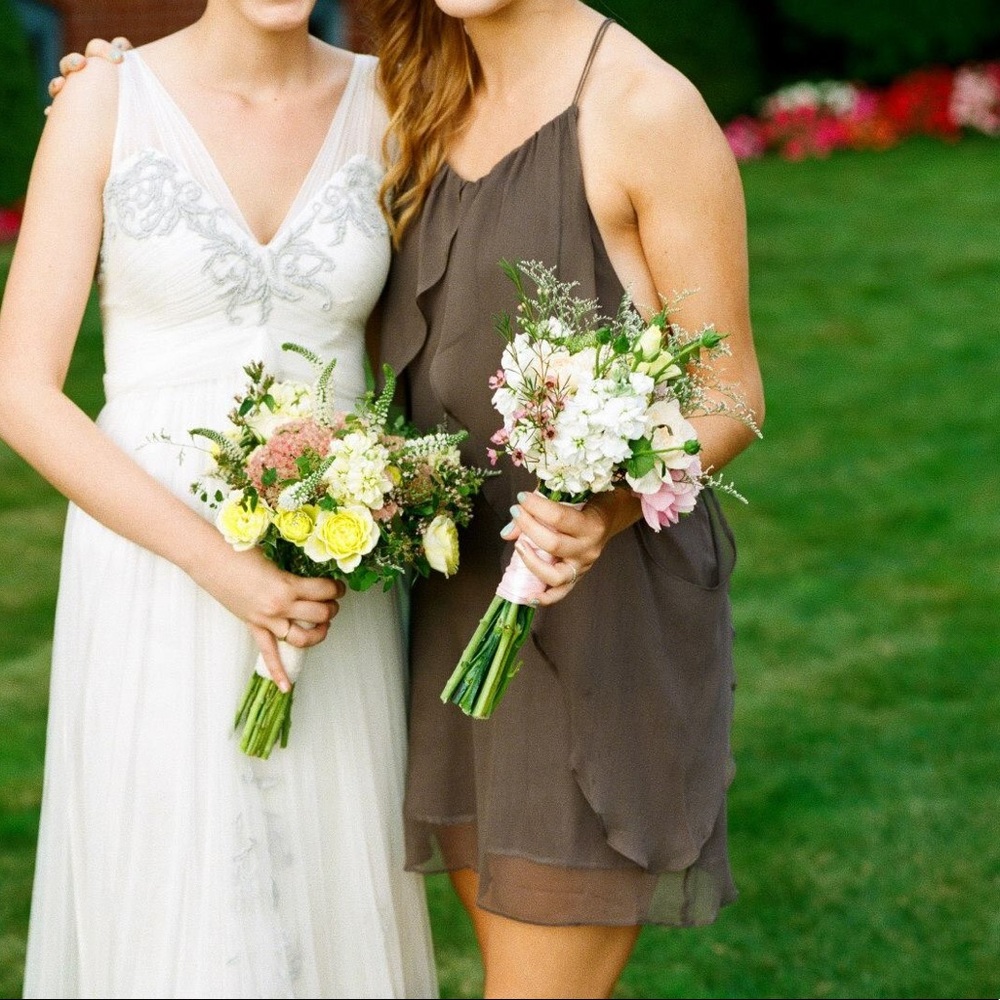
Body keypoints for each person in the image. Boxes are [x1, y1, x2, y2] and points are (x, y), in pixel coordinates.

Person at [57, 2, 766, 996]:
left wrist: (601, 512)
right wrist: (117, 89)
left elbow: (731, 392)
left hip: (587, 611)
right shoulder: (424, 98)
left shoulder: (643, 107)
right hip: (452, 602)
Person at [0, 3, 437, 997]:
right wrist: (222, 566)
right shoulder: (107, 101)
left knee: (325, 880)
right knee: (172, 885)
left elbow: (416, 362)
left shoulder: (393, 105)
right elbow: (20, 391)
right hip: (153, 558)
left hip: (329, 559)